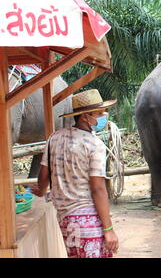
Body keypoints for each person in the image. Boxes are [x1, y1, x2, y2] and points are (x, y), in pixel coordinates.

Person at [32, 89, 119, 258]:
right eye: (99, 113)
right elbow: (98, 189)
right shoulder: (94, 145)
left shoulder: (54, 138)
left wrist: (41, 191)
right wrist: (108, 229)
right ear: (85, 116)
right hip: (89, 223)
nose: (103, 116)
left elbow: (43, 176)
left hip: (65, 221)